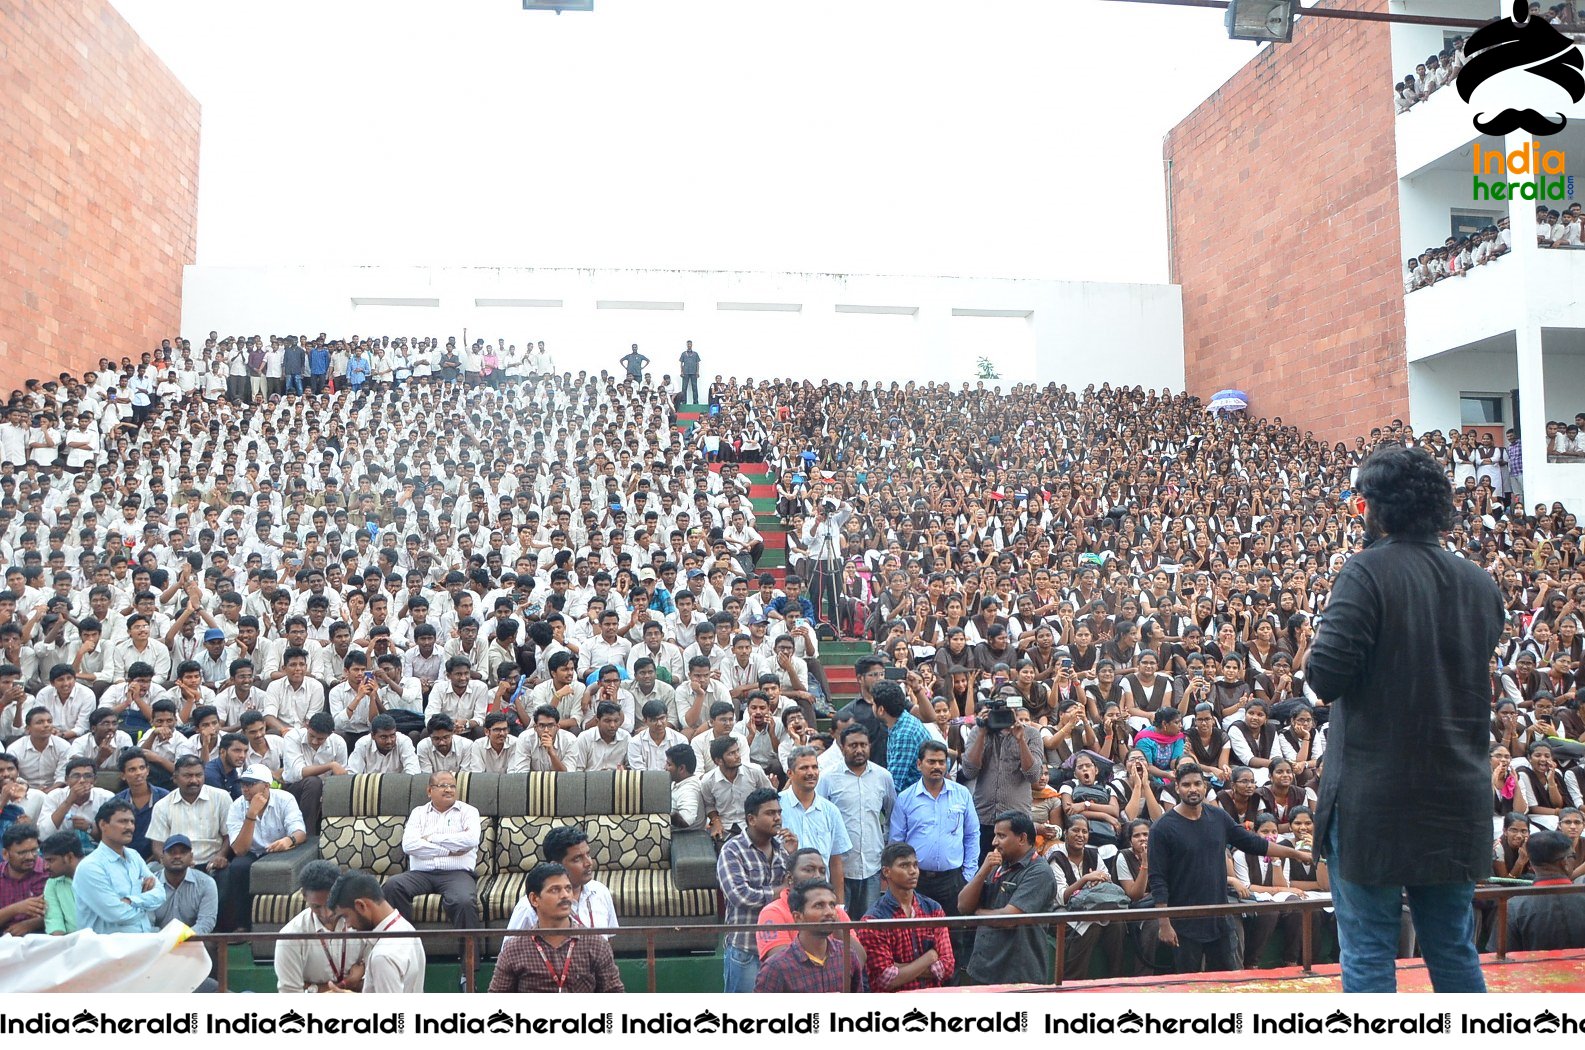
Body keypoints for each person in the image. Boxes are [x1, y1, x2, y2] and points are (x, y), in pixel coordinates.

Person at [1308, 443, 1506, 993]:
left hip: (1376, 800)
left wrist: (1309, 649)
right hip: (1455, 798)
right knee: (1453, 949)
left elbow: (1324, 678)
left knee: (1369, 952)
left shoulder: (1365, 573)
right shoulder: (1481, 584)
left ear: (1374, 506)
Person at [1148, 763, 1308, 973]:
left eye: (1197, 783)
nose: (1193, 789)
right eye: (1186, 785)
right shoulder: (1162, 828)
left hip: (1219, 916)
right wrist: (1164, 923)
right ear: (1177, 788)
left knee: (1225, 981)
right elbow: (1157, 878)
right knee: (1189, 985)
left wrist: (1296, 854)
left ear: (1205, 787)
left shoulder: (1218, 817)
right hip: (1183, 921)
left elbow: (1255, 844)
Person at [489, 862, 625, 993]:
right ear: (534, 899)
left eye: (568, 888)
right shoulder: (514, 949)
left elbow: (614, 996)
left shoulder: (596, 944)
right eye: (555, 890)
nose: (565, 895)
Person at [958, 810, 1056, 986]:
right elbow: (963, 906)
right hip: (983, 967)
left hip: (1017, 973)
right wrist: (983, 872)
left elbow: (1010, 918)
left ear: (1022, 838)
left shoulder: (1039, 872)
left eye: (1001, 836)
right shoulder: (996, 864)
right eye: (995, 835)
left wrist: (978, 914)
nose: (994, 842)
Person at [383, 771, 480, 943]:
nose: (449, 790)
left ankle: (470, 965)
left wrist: (432, 838)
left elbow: (470, 840)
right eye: (443, 786)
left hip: (456, 874)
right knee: (393, 886)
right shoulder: (418, 813)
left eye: (452, 786)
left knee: (464, 901)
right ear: (429, 791)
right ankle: (403, 948)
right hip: (421, 874)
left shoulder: (468, 811)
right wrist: (448, 850)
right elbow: (410, 845)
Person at [716, 786, 794, 993]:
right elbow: (741, 896)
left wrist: (794, 857)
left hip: (779, 948)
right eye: (770, 813)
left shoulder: (782, 850)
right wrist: (782, 890)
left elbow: (795, 893)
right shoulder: (732, 850)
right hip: (746, 948)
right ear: (751, 819)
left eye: (779, 812)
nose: (777, 818)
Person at [816, 724, 895, 917]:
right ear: (842, 747)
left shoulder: (883, 777)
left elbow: (892, 815)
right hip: (839, 866)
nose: (859, 750)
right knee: (840, 923)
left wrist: (885, 843)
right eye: (853, 745)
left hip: (872, 863)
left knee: (870, 923)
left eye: (863, 744)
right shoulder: (828, 778)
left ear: (870, 746)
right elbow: (819, 818)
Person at [857, 842, 956, 991]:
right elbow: (885, 979)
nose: (913, 871)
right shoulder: (874, 920)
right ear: (886, 871)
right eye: (904, 866)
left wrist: (900, 969)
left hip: (931, 997)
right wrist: (929, 957)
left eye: (915, 865)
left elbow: (947, 967)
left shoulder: (933, 909)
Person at [222, 764, 306, 931]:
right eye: (243, 784)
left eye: (250, 784)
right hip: (252, 851)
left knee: (278, 865)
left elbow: (300, 832)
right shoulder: (237, 806)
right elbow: (239, 850)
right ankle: (242, 925)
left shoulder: (285, 799)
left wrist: (288, 841)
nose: (245, 789)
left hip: (279, 850)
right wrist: (251, 815)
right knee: (238, 867)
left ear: (266, 786)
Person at [275, 859, 369, 993]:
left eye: (331, 903)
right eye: (316, 906)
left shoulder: (361, 923)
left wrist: (313, 988)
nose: (327, 913)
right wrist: (349, 983)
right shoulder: (290, 936)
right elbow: (291, 995)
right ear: (304, 895)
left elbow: (374, 985)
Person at [755, 846, 862, 963]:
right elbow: (782, 965)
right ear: (790, 878)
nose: (817, 876)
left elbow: (859, 960)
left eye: (822, 871)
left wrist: (835, 925)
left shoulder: (834, 911)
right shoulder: (773, 912)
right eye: (809, 870)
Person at [753, 880, 864, 992]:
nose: (829, 912)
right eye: (819, 906)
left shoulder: (847, 955)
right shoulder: (776, 968)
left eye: (832, 905)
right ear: (798, 917)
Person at [73, 799, 165, 933]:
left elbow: (161, 894)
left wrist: (130, 901)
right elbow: (117, 914)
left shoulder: (134, 856)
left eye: (132, 822)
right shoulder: (91, 867)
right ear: (103, 825)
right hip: (107, 950)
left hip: (142, 944)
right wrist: (146, 904)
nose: (130, 827)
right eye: (123, 821)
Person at [328, 871, 426, 993]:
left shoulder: (382, 956)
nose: (348, 925)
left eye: (346, 916)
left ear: (361, 906)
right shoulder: (407, 928)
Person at [507, 824, 617, 933]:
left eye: (588, 854)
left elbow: (608, 942)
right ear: (556, 865)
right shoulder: (529, 907)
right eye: (577, 859)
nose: (588, 863)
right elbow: (511, 949)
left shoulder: (600, 892)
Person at [777, 746, 851, 898]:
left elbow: (835, 862)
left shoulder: (830, 811)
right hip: (785, 896)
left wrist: (840, 905)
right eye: (804, 768)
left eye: (814, 767)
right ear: (790, 773)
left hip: (821, 897)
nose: (811, 772)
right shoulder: (776, 807)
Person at [1504, 830, 1585, 950]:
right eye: (1573, 856)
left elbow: (1501, 957)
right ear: (1565, 863)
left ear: (1530, 864)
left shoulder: (1513, 907)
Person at [148, 833, 218, 934]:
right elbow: (147, 923)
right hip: (158, 942)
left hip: (192, 941)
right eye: (171, 852)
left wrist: (180, 939)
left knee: (209, 944)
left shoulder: (206, 883)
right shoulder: (150, 884)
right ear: (162, 857)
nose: (177, 856)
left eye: (183, 852)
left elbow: (206, 923)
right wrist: (166, 939)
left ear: (191, 857)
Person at [0, 822, 46, 936]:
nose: (30, 857)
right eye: (22, 853)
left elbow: (66, 915)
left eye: (34, 850)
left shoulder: (50, 872)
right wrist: (16, 909)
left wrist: (31, 924)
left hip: (42, 939)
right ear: (5, 854)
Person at [39, 830, 82, 935]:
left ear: (69, 857)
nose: (46, 866)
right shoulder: (52, 883)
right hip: (70, 944)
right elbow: (54, 920)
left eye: (51, 860)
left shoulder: (97, 874)